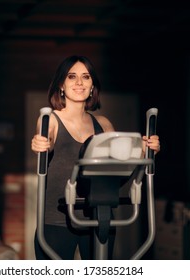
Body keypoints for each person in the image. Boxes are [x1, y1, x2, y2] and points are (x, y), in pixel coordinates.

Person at [31, 55, 160, 260]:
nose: (79, 82)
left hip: (100, 216)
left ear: (92, 86)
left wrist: (144, 150)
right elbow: (46, 138)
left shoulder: (104, 124)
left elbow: (119, 163)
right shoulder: (50, 119)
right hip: (56, 221)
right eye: (72, 76)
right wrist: (41, 143)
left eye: (86, 77)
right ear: (61, 85)